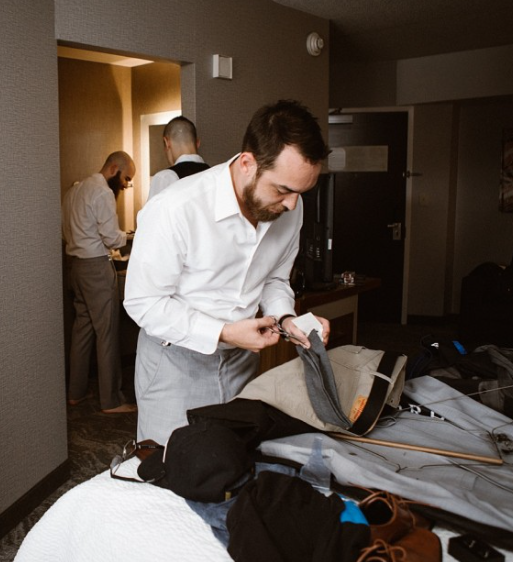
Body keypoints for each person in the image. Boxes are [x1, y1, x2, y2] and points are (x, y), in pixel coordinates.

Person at [124, 99, 332, 445]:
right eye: (282, 189)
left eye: (301, 192)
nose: (293, 205)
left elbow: (275, 279)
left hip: (242, 363)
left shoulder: (291, 207)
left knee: (234, 463)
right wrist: (222, 332)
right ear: (248, 163)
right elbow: (143, 302)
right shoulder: (175, 208)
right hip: (175, 365)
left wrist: (286, 319)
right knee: (172, 472)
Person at [61, 151, 138, 414]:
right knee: (107, 334)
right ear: (114, 168)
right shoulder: (102, 192)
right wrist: (131, 236)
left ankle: (76, 392)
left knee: (82, 330)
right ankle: (112, 400)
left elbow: (70, 231)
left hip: (76, 267)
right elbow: (111, 238)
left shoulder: (74, 191)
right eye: (126, 179)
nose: (126, 185)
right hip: (96, 268)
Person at [147, 115, 209, 201]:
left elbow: (152, 214)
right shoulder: (217, 176)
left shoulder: (165, 178)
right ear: (197, 143)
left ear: (167, 142)